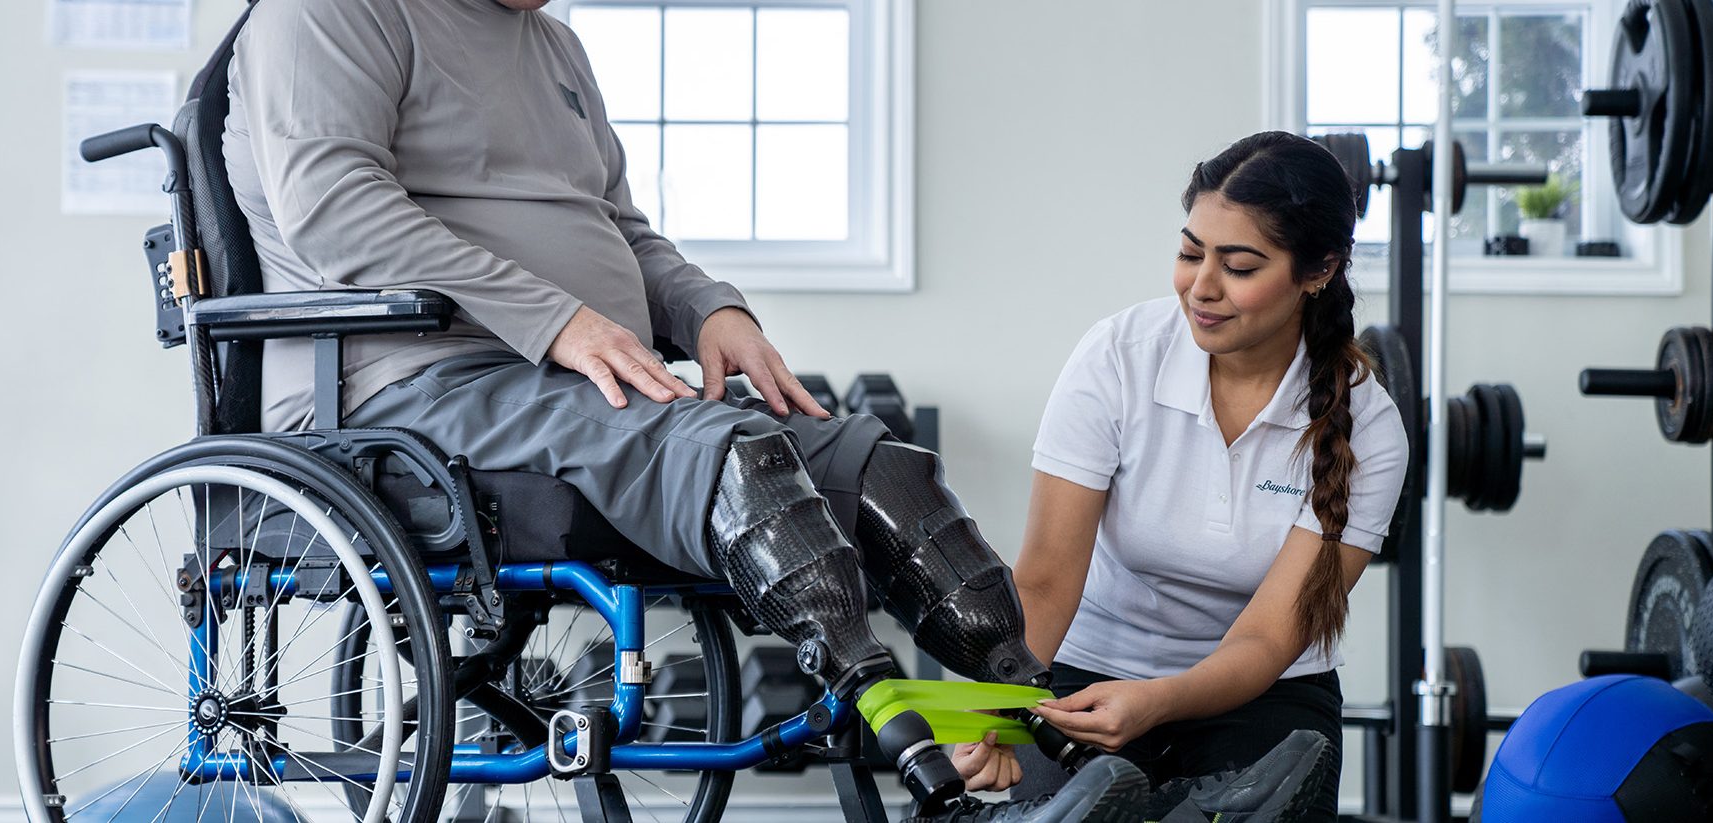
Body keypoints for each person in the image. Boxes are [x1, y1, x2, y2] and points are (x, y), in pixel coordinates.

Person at [217, 0, 1140, 817]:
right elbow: (335, 211)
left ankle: (1053, 733)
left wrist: (710, 308)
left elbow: (617, 228)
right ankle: (912, 756)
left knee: (876, 467)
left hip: (575, 380)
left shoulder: (551, 46)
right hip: (410, 387)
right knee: (735, 457)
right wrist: (557, 319)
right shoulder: (325, 13)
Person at [950, 132, 1411, 822]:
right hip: (1088, 673)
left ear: (1319, 270)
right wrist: (993, 707)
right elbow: (1044, 579)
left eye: (1240, 265)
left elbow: (1266, 639)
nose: (1202, 287)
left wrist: (1159, 699)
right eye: (1190, 251)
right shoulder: (1117, 358)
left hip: (1267, 692)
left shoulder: (1368, 427)